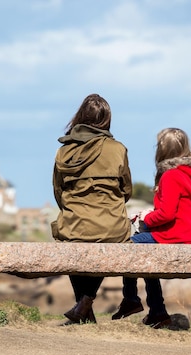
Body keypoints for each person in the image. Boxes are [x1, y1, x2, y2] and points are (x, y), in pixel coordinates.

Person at [111, 127, 191, 328]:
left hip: (175, 235)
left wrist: (145, 218)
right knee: (145, 251)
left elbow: (166, 214)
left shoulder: (171, 176)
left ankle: (131, 299)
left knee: (127, 246)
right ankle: (157, 311)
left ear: (162, 150)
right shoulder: (189, 174)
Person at [51, 93, 133, 324]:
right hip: (112, 227)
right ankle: (85, 305)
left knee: (73, 238)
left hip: (75, 225)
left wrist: (77, 210)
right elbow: (127, 190)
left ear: (79, 117)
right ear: (107, 119)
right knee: (104, 234)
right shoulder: (118, 149)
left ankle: (83, 309)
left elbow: (58, 192)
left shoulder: (63, 152)